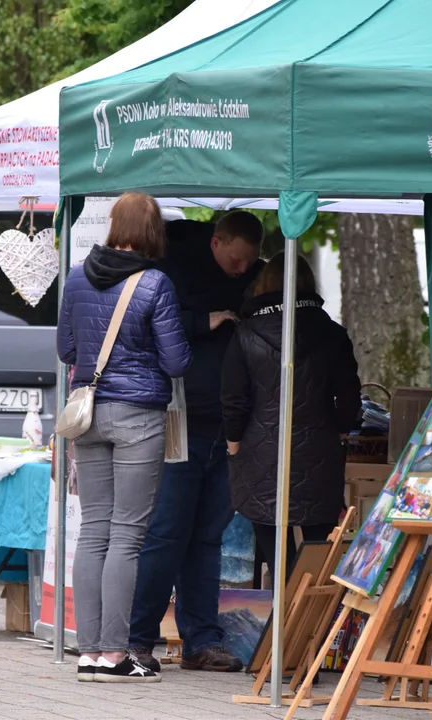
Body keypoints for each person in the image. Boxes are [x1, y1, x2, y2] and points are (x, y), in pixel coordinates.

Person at [58, 192, 191, 684]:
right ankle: (116, 654)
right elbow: (177, 363)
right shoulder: (155, 283)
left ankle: (88, 651)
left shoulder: (76, 277)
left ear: (115, 225)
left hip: (87, 416)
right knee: (128, 534)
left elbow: (66, 347)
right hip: (137, 416)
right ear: (153, 231)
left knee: (93, 530)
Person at [128, 211, 264, 673]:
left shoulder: (250, 279)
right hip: (178, 421)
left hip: (227, 430)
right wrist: (204, 321)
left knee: (207, 539)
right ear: (216, 242)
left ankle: (201, 639)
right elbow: (148, 326)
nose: (242, 270)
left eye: (250, 263)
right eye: (237, 259)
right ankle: (138, 638)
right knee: (166, 534)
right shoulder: (170, 267)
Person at [221, 253, 361, 576]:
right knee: (319, 554)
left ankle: (282, 620)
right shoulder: (332, 333)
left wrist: (234, 446)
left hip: (259, 456)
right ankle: (313, 621)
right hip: (320, 453)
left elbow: (233, 399)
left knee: (275, 554)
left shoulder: (245, 335)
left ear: (265, 285)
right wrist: (339, 430)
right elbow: (350, 393)